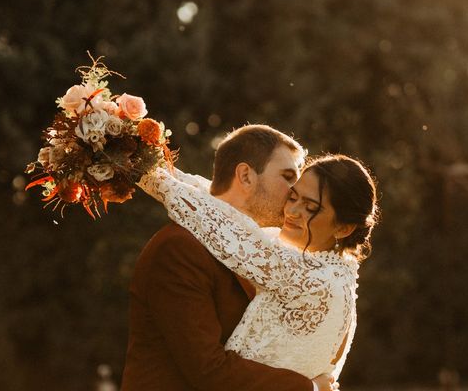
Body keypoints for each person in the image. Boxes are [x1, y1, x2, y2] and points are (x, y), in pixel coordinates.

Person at [138, 144, 379, 387]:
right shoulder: (336, 271)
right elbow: (223, 209)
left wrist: (140, 171)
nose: (292, 211)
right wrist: (150, 160)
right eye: (293, 197)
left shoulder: (312, 278)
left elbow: (213, 222)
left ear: (344, 228)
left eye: (310, 208)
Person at [121, 124, 329, 391]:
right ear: (245, 176)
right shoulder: (179, 248)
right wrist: (308, 387)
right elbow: (208, 370)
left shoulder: (255, 252)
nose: (295, 193)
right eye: (288, 177)